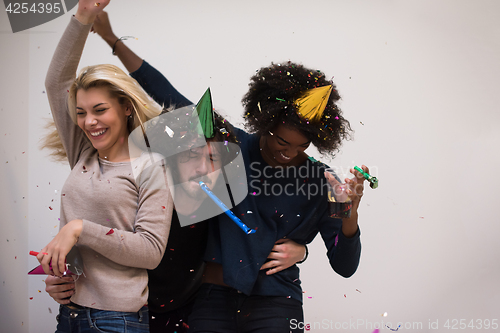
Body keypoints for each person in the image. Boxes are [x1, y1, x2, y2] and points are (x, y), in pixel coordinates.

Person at [44, 11, 308, 333]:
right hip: (122, 306)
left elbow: (269, 218)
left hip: (178, 310)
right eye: (191, 156)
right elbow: (159, 88)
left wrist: (302, 249)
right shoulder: (155, 171)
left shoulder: (220, 199)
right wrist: (112, 39)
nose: (201, 168)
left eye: (213, 160)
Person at [126, 59, 368, 332]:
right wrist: (113, 41)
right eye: (282, 141)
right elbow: (168, 94)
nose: (289, 153)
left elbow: (345, 266)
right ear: (266, 123)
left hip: (277, 303)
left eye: (302, 146)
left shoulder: (324, 182)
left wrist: (350, 212)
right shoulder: (229, 146)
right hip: (211, 300)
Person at [37, 1, 173, 332]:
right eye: (81, 112)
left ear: (126, 107)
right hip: (70, 314)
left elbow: (150, 251)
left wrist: (79, 228)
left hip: (116, 321)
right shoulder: (83, 153)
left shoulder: (151, 166)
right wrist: (83, 15)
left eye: (100, 110)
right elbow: (57, 83)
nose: (89, 122)